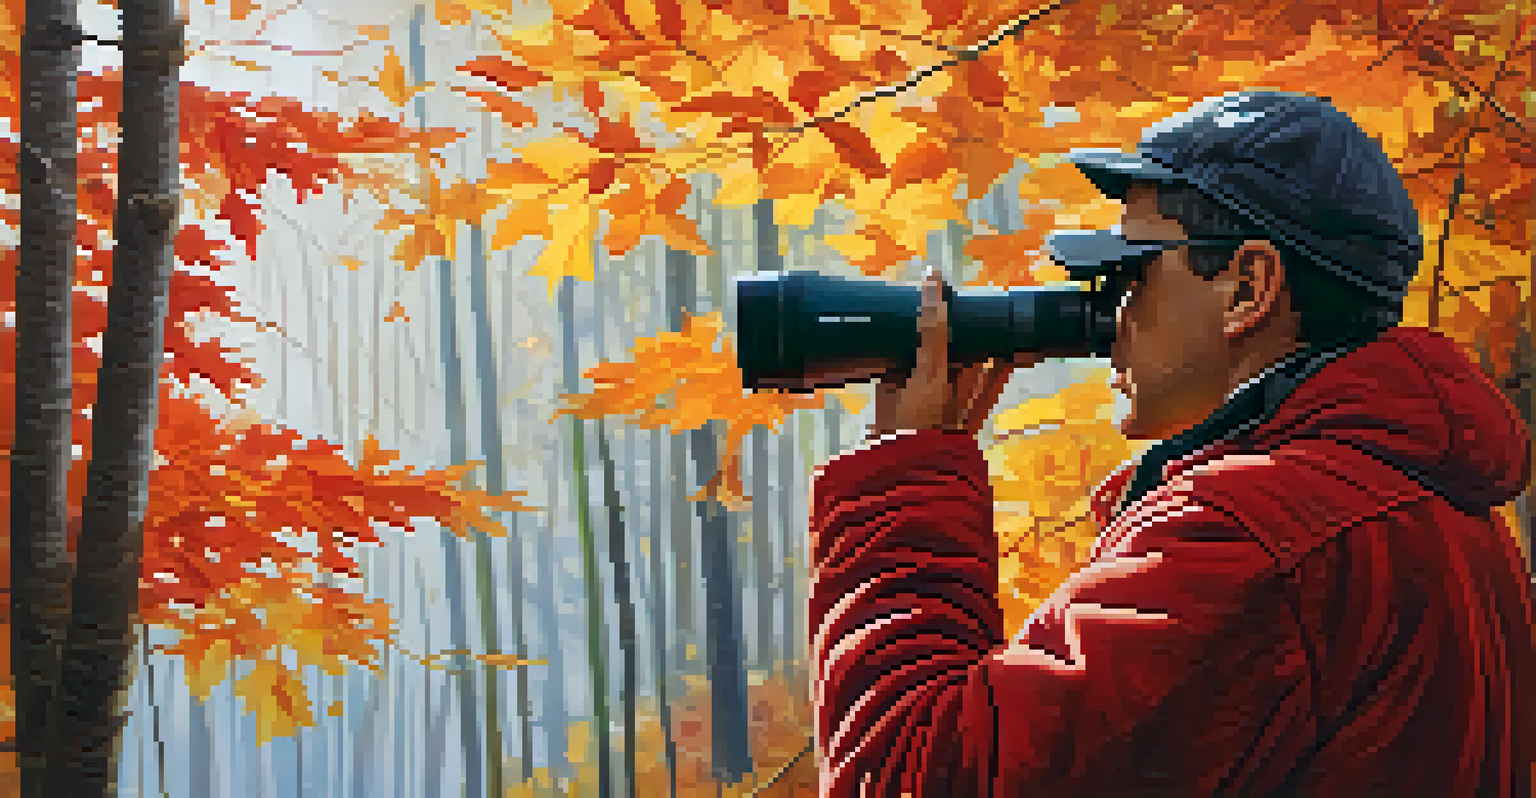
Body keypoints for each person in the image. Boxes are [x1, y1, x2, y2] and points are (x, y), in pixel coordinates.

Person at [810, 90, 1535, 797]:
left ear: (1247, 287)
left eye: (1132, 272)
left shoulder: (1250, 539)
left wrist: (903, 477)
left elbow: (912, 774)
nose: (1109, 313)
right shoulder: (1450, 517)